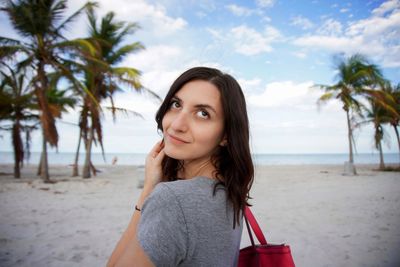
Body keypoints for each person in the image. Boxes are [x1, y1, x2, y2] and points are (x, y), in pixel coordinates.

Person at [107, 67, 254, 266]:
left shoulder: (172, 200)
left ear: (226, 134)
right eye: (176, 104)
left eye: (202, 113)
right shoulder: (231, 193)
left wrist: (148, 190)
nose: (176, 124)